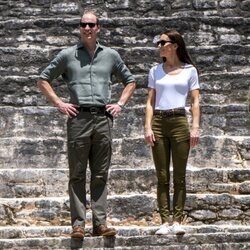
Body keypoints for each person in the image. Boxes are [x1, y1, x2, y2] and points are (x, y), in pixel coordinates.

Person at [37, 10, 136, 238]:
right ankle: (78, 225)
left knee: (100, 174)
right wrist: (59, 103)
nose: (88, 28)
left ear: (98, 27)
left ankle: (100, 223)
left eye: (92, 24)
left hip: (103, 119)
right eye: (83, 24)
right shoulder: (67, 55)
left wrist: (119, 103)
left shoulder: (111, 55)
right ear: (79, 28)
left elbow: (130, 81)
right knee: (77, 173)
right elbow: (43, 79)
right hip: (78, 118)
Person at [144, 30, 200, 235]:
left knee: (179, 175)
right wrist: (147, 127)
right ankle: (164, 221)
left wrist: (195, 127)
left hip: (179, 121)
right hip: (158, 121)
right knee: (162, 175)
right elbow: (150, 102)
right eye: (158, 43)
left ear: (175, 45)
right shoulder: (155, 71)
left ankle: (177, 219)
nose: (159, 46)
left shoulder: (190, 71)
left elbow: (195, 101)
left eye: (162, 42)